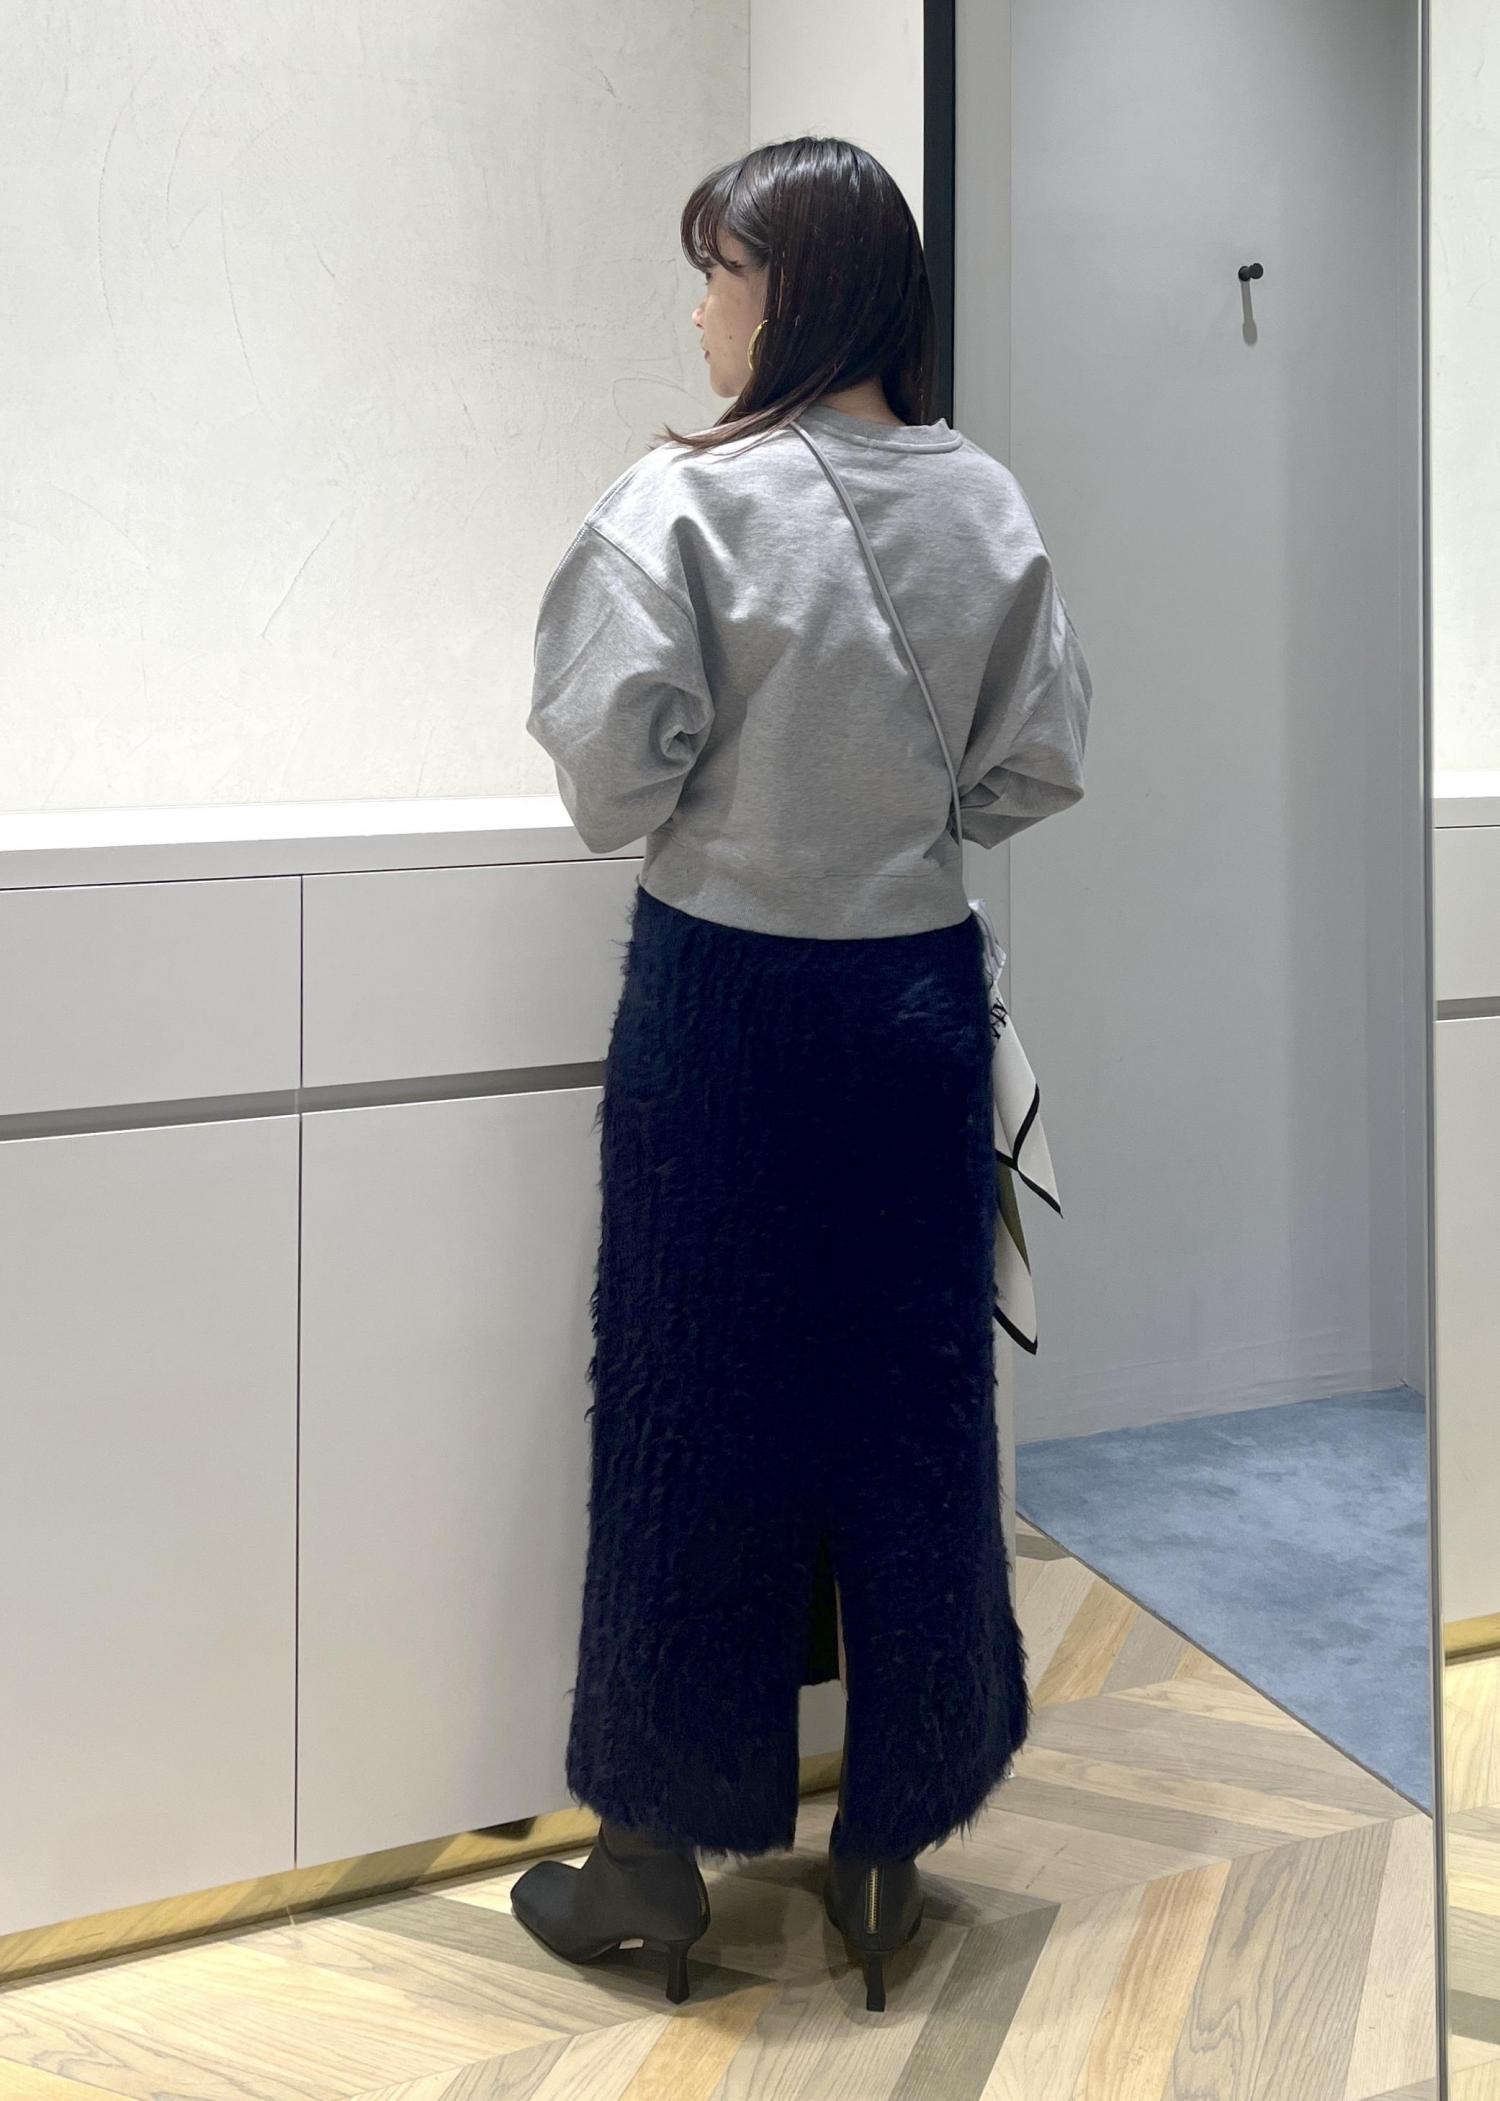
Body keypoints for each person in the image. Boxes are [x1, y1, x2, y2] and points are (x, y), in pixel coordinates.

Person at [512, 134, 1091, 2014]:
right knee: (912, 1419)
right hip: (912, 1005)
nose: (700, 311)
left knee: (689, 1413)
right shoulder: (987, 503)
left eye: (720, 273)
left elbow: (610, 782)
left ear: (795, 290)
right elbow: (1036, 764)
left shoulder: (684, 504)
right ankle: (889, 1848)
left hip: (728, 1009)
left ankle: (651, 1859)